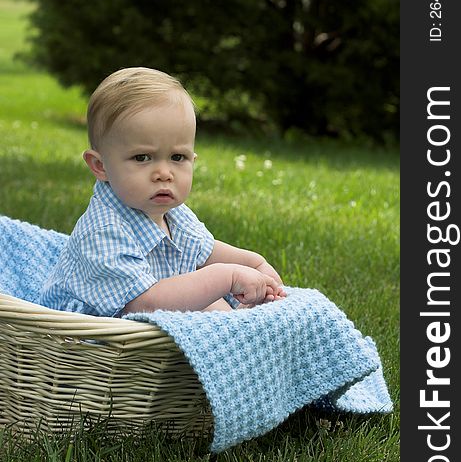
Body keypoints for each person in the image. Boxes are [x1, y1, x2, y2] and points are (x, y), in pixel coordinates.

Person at [39, 67, 286, 317]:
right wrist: (227, 276)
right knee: (212, 300)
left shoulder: (173, 213)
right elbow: (145, 305)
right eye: (142, 157)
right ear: (100, 166)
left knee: (219, 309)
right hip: (90, 336)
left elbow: (207, 251)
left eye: (177, 157)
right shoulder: (103, 232)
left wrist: (256, 264)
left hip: (157, 311)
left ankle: (242, 329)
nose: (164, 173)